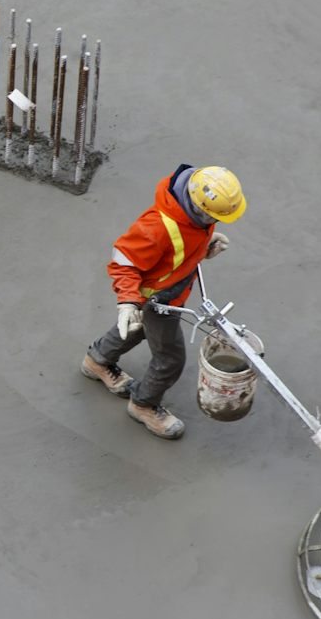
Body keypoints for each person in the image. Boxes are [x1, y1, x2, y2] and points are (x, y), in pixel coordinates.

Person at [79, 164, 245, 439]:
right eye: (213, 217)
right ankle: (143, 405)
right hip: (156, 300)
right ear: (198, 206)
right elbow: (123, 262)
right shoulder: (157, 227)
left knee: (136, 329)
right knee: (170, 359)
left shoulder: (195, 212)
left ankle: (97, 361)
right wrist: (128, 302)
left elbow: (178, 249)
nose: (214, 221)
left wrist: (203, 247)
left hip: (172, 292)